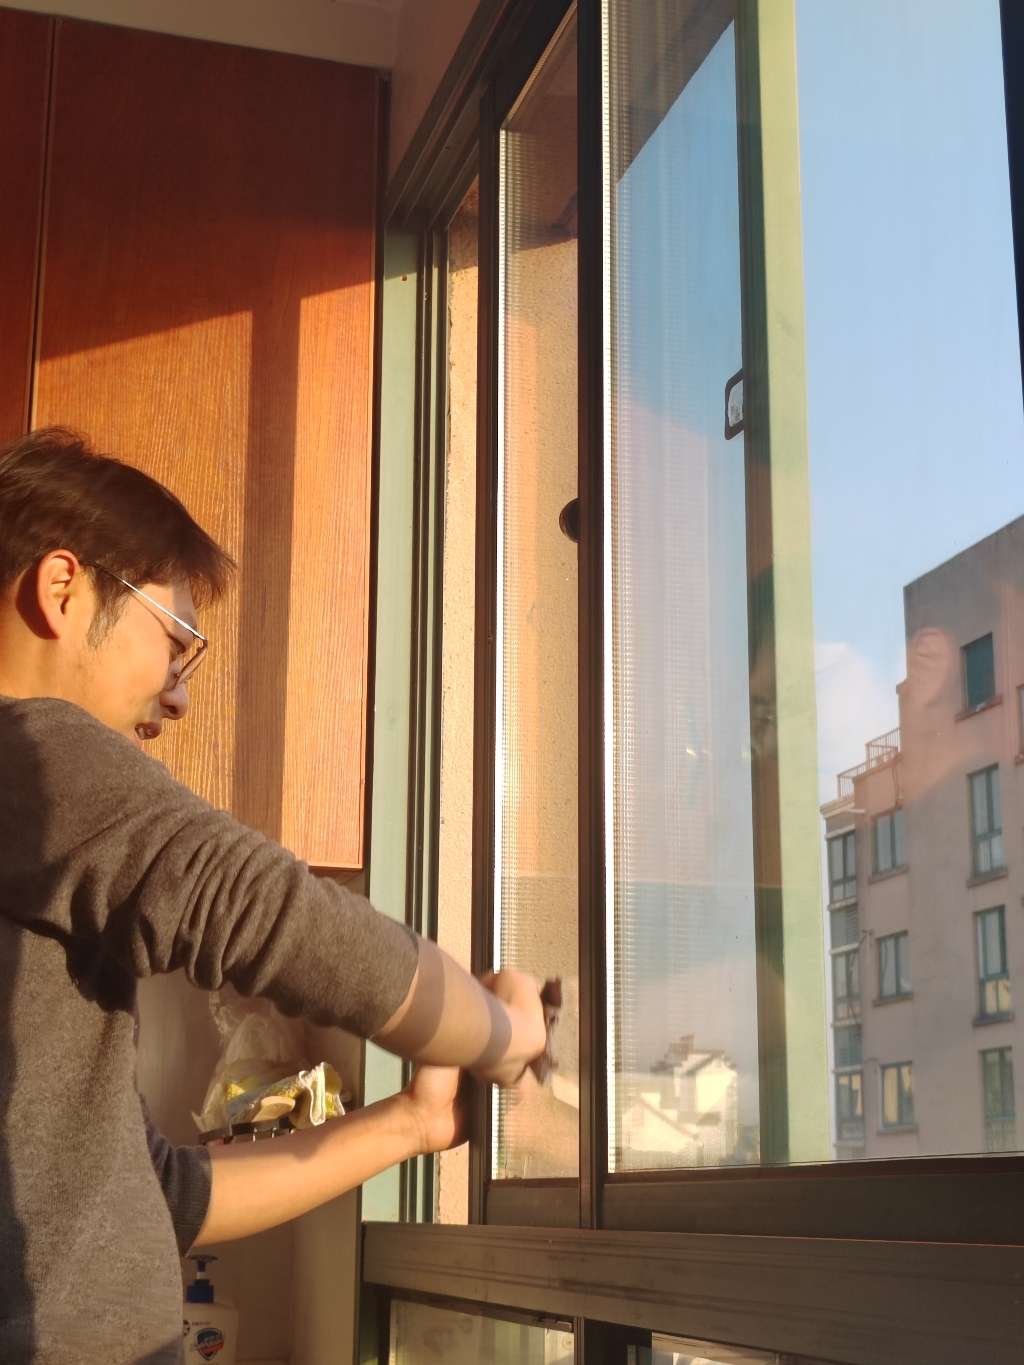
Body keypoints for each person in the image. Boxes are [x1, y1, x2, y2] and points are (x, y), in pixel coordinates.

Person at [0, 428, 546, 1364]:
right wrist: (502, 1036)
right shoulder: (30, 750)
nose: (177, 699)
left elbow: (154, 1193)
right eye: (174, 644)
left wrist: (410, 1124)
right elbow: (266, 909)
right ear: (61, 590)